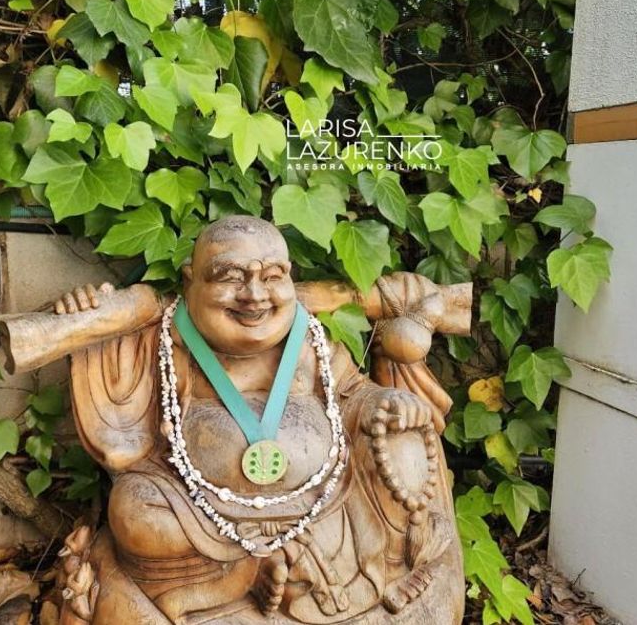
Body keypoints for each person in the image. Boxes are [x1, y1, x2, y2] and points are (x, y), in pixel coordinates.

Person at [54, 216, 465, 624]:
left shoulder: (307, 339)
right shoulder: (167, 342)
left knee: (402, 441)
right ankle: (242, 575)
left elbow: (352, 393)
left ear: (290, 278)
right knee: (133, 507)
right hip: (206, 517)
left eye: (271, 277)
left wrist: (384, 402)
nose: (253, 295)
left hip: (323, 501)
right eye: (231, 277)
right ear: (190, 279)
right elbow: (124, 430)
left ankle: (388, 566)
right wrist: (86, 310)